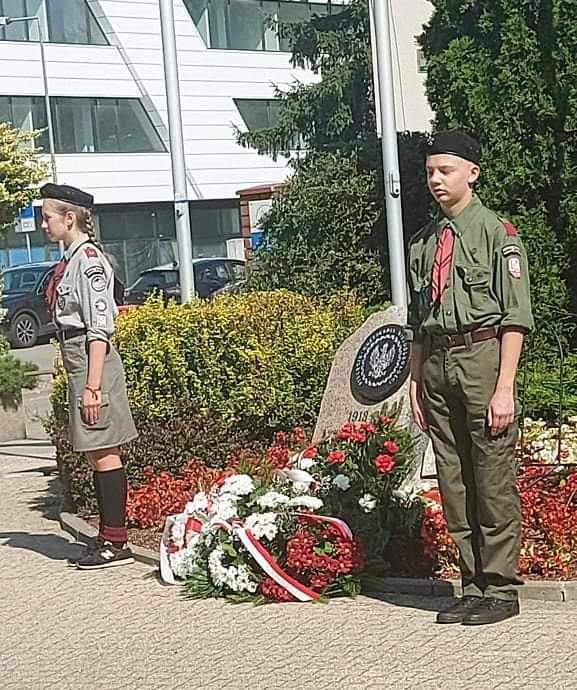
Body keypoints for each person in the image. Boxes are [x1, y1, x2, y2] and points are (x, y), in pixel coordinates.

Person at [407, 131, 533, 625]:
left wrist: (504, 386)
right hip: (437, 363)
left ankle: (501, 589)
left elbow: (515, 318)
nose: (436, 179)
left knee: (492, 476)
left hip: (482, 358)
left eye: (447, 170)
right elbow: (419, 322)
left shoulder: (497, 235)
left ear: (472, 174)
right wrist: (416, 381)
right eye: (431, 171)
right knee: (454, 478)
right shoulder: (425, 242)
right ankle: (472, 583)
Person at [41, 183, 138, 570]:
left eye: (48, 216)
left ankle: (117, 540)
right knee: (98, 451)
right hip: (78, 358)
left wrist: (92, 387)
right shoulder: (72, 259)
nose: (43, 223)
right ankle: (108, 534)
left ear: (69, 217)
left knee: (104, 450)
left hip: (90, 360)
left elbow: (100, 327)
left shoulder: (90, 262)